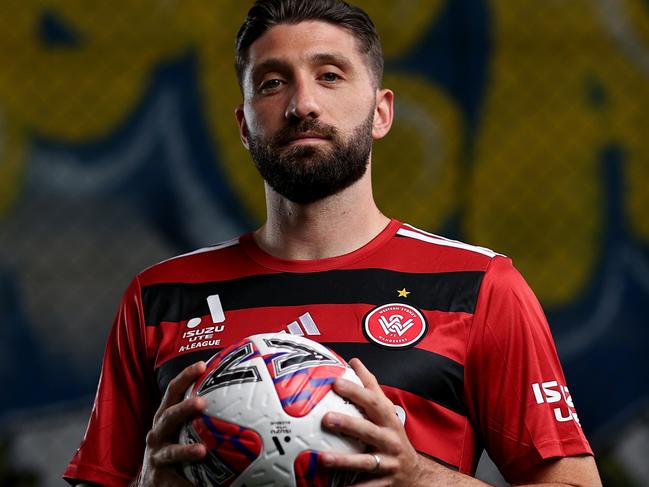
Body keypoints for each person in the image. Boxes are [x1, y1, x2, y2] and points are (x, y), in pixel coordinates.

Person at [65, 0, 601, 485]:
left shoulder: (479, 288)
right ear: (244, 126)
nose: (302, 104)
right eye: (272, 83)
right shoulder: (159, 297)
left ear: (382, 112)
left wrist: (416, 476)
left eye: (329, 75)